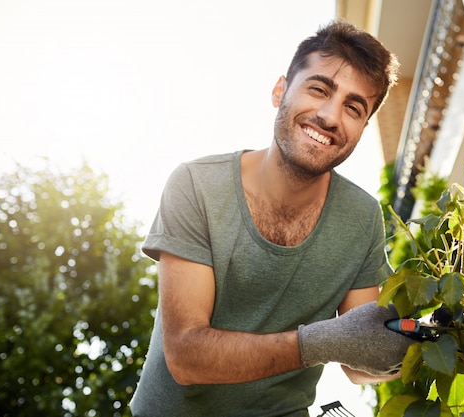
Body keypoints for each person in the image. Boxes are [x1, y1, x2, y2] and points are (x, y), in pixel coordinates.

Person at [130, 19, 414, 417]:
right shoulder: (196, 185)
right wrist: (317, 343)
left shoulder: (363, 218)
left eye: (354, 108)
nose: (331, 116)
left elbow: (358, 362)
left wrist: (420, 342)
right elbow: (186, 356)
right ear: (280, 90)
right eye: (319, 89)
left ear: (363, 127)